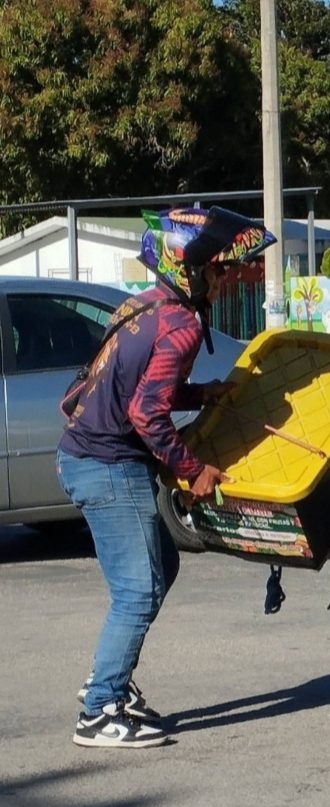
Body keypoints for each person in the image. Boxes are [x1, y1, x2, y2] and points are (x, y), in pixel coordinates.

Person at [59, 207, 276, 747]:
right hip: (107, 463)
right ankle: (99, 708)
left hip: (86, 456)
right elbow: (146, 415)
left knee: (161, 565)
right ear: (191, 269)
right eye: (221, 269)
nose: (227, 278)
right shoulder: (180, 324)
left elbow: (139, 389)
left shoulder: (147, 305)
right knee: (139, 589)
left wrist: (199, 394)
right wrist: (194, 469)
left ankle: (110, 681)